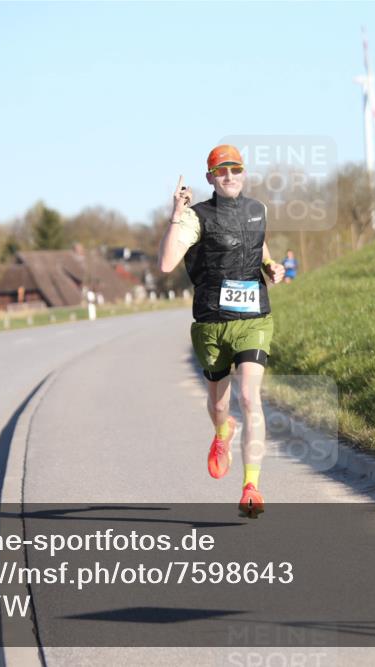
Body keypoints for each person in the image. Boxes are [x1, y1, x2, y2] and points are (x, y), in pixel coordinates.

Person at [158, 144, 285, 518]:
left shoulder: (256, 210)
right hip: (212, 324)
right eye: (222, 171)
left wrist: (272, 267)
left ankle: (251, 487)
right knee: (218, 405)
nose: (230, 176)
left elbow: (258, 247)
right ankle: (221, 432)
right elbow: (167, 263)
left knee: (249, 398)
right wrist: (176, 216)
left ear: (244, 173)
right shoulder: (197, 217)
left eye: (236, 169)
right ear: (211, 177)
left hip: (254, 320)